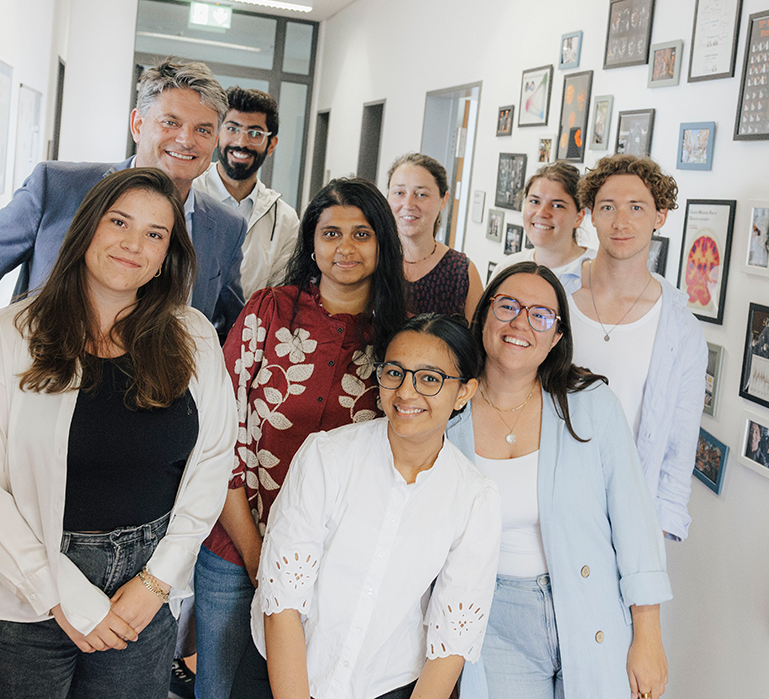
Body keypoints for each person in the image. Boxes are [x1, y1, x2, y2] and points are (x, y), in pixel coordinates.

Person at [0, 167, 237, 699]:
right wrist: (65, 597)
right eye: (119, 222)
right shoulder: (9, 337)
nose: (133, 244)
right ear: (86, 229)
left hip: (142, 594)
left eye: (155, 233)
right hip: (23, 595)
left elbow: (213, 462)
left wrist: (156, 582)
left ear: (167, 255)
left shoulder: (192, 336)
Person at [0, 57, 247, 427]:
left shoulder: (227, 226)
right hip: (38, 410)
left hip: (157, 424)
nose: (186, 140)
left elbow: (231, 331)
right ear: (138, 124)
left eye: (203, 129)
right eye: (170, 122)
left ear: (215, 141)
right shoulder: (57, 189)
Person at [195, 177, 409, 699]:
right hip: (235, 546)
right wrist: (257, 555)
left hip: (334, 563)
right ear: (311, 242)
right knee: (220, 689)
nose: (345, 247)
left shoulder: (400, 341)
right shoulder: (268, 311)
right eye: (331, 233)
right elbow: (220, 435)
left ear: (382, 243)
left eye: (362, 234)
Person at [230, 313, 500, 699]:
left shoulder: (475, 499)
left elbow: (451, 643)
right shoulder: (327, 456)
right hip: (281, 673)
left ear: (464, 393)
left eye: (429, 379)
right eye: (395, 373)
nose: (406, 392)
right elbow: (282, 603)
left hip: (386, 685)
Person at [447, 262, 671, 699]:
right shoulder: (449, 411)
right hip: (495, 623)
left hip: (590, 604)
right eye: (507, 306)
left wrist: (648, 635)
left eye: (541, 315)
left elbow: (635, 524)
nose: (520, 323)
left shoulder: (591, 405)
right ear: (484, 315)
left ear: (557, 337)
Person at [568, 154, 707, 542]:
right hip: (541, 494)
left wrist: (652, 540)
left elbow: (679, 447)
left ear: (660, 216)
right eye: (607, 207)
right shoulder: (554, 298)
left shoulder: (680, 330)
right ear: (590, 214)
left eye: (636, 207)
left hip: (623, 516)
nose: (620, 222)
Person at [195, 87, 301, 297]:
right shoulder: (188, 192)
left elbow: (279, 298)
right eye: (232, 129)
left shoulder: (285, 221)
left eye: (255, 134)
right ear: (218, 134)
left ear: (271, 145)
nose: (241, 142)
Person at [386, 152, 483, 317]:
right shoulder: (372, 260)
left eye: (421, 194)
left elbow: (478, 333)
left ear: (443, 200)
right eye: (399, 193)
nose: (408, 204)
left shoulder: (462, 273)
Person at [491, 162, 594, 293]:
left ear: (578, 218)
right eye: (535, 201)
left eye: (557, 205)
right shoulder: (508, 268)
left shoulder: (599, 272)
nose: (541, 213)